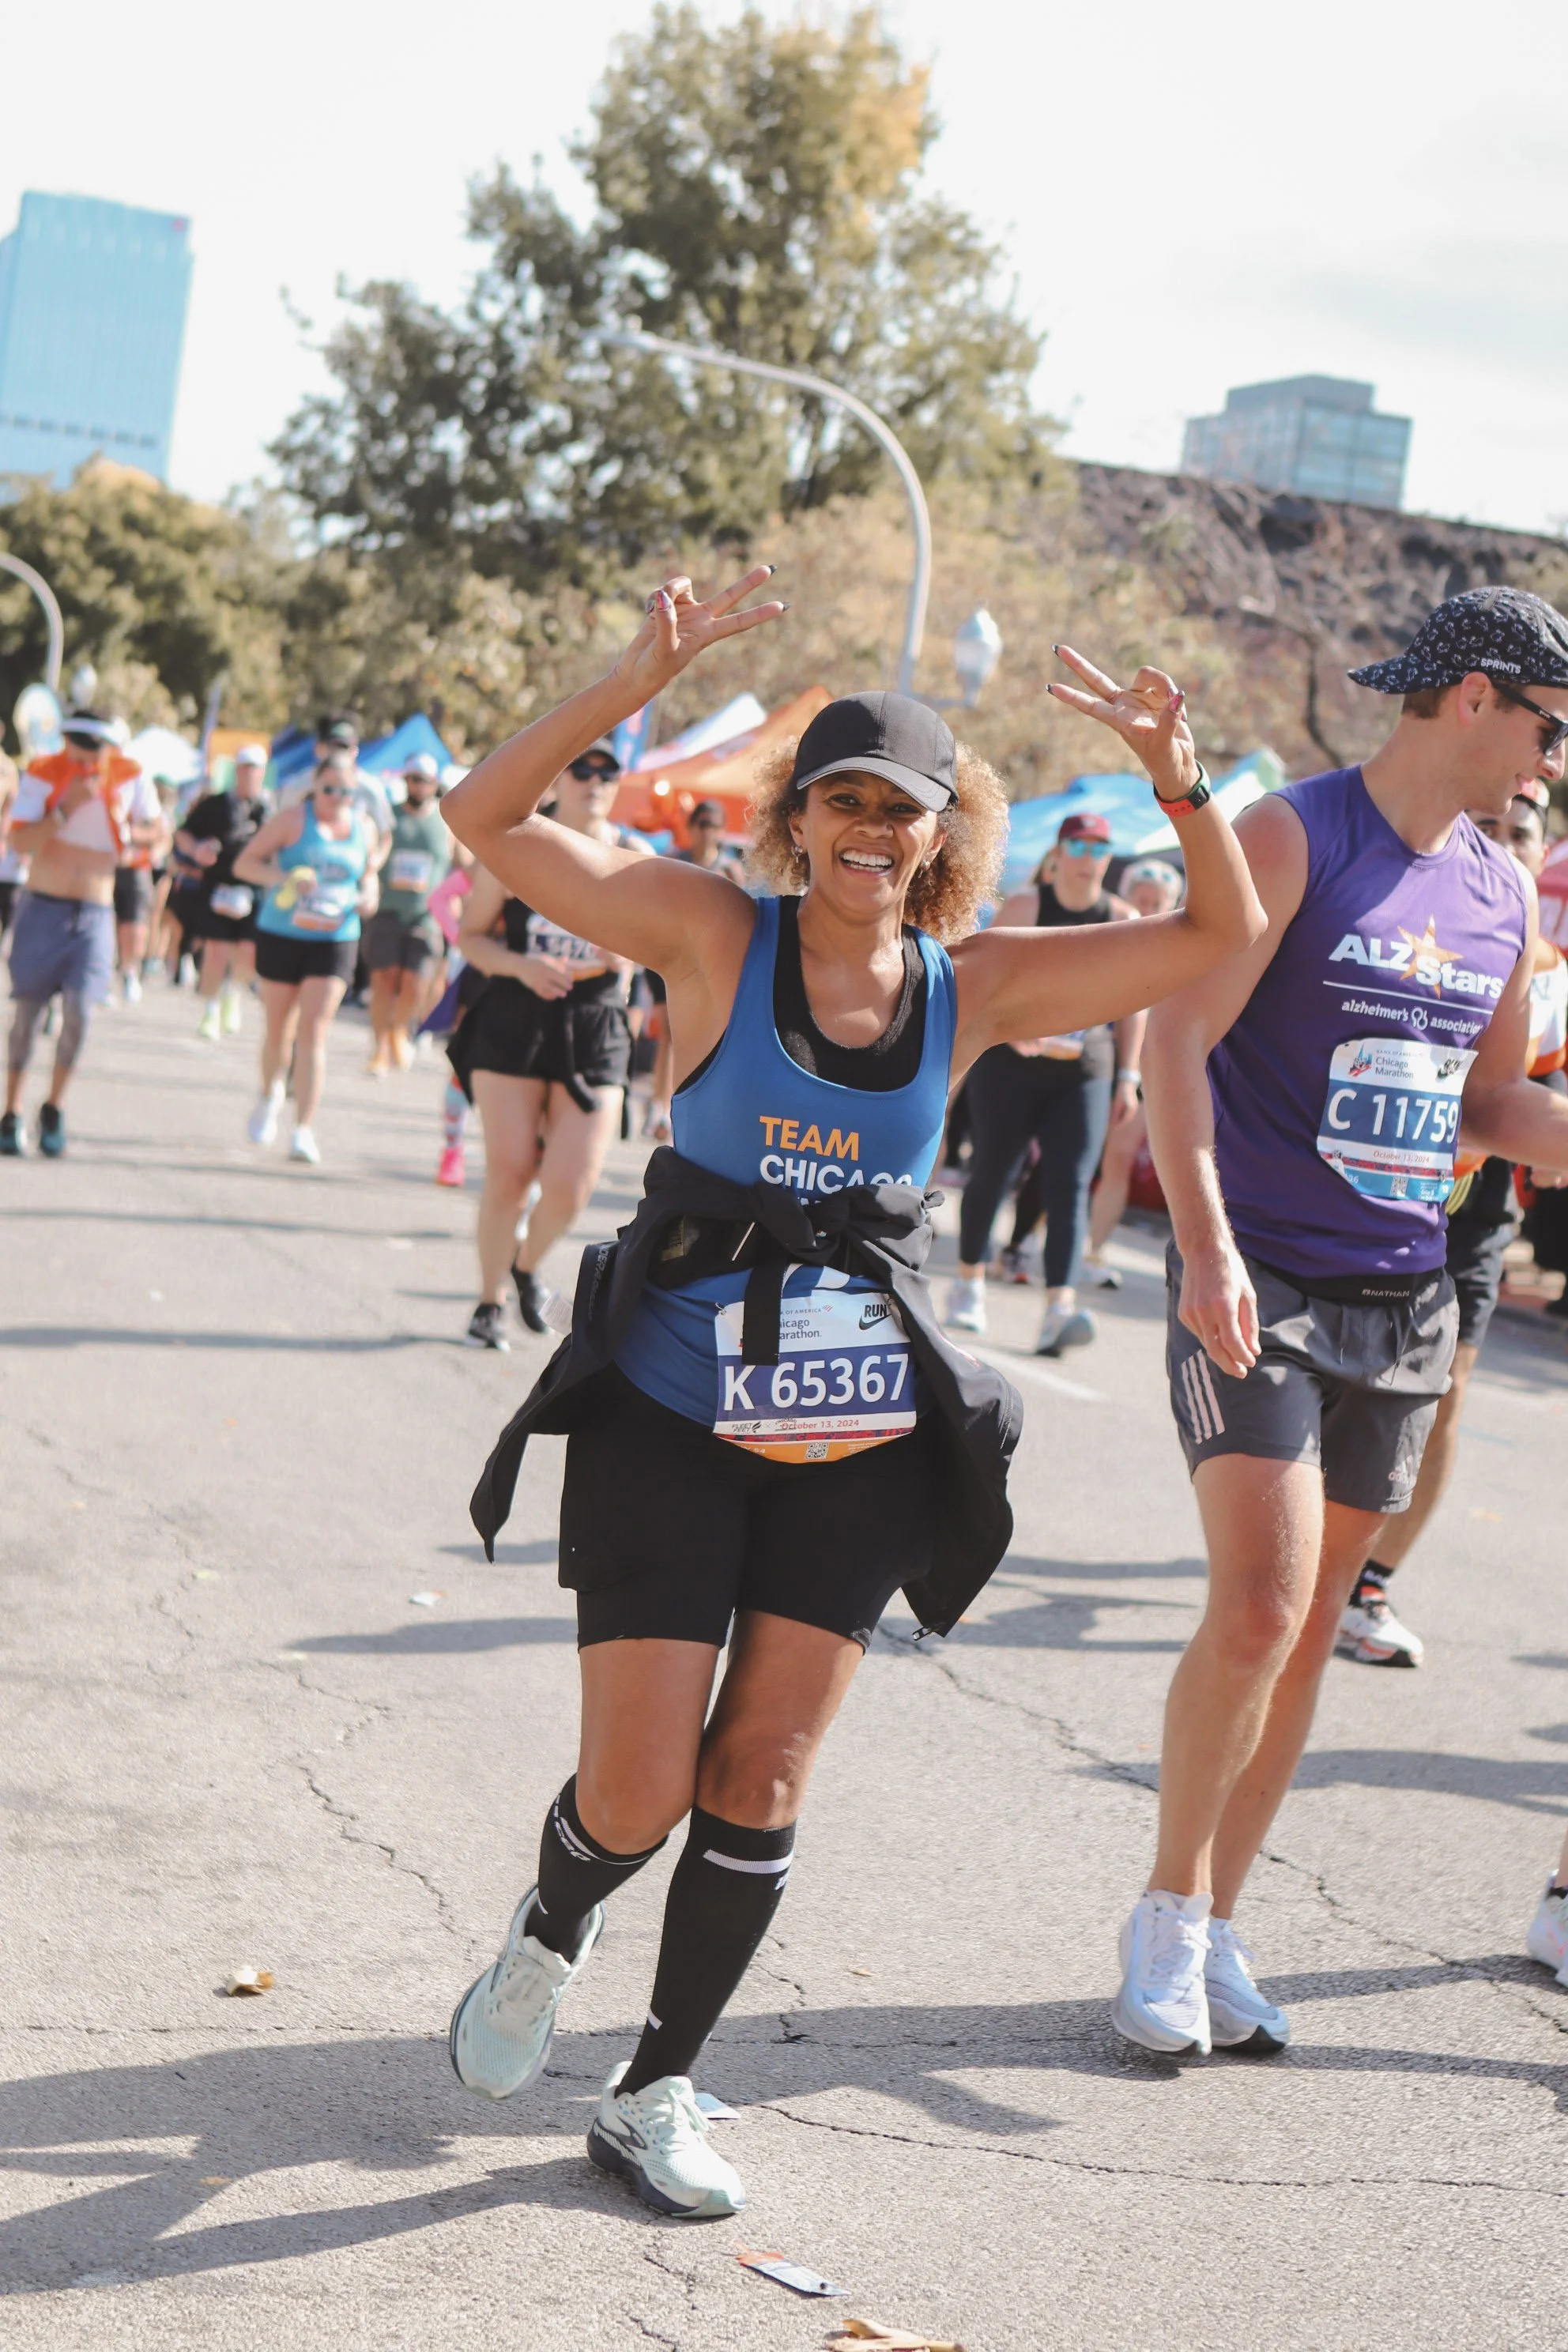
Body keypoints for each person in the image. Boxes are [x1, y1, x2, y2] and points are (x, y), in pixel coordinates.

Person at [435, 567, 1262, 2218]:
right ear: (797, 822)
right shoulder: (704, 931)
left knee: (761, 1777)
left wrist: (1182, 780)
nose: (873, 829)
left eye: (904, 807)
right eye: (843, 801)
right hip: (668, 1403)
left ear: (939, 833)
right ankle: (556, 1918)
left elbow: (1218, 935)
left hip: (856, 1432)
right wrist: (634, 669)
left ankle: (655, 2085)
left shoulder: (981, 988)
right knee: (636, 1788)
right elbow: (485, 816)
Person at [1118, 586, 1568, 2061]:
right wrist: (1198, 1248)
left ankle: (1224, 1925)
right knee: (1256, 1600)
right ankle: (1164, 1917)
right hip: (1255, 1278)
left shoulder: (1499, 889)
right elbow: (1171, 1034)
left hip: (1403, 1295)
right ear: (1473, 695)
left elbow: (1488, 1107)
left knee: (1311, 1629)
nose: (1549, 766)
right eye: (1545, 731)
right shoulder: (1289, 834)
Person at [1336, 786, 1568, 1665]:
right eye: (1490, 830)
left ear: (1542, 859)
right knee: (1348, 1383)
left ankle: (1368, 1584)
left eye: (1523, 836)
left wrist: (1546, 1136)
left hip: (1476, 1203)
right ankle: (1303, 1534)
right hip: (1380, 1184)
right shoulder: (1410, 930)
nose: (1506, 847)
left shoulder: (1545, 967)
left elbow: (1529, 1084)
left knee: (1442, 1393)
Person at [449, 736, 650, 1349]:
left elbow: (661, 948)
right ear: (559, 779)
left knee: (572, 1184)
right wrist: (519, 968)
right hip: (515, 1014)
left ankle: (528, 1265)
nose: (594, 779)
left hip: (595, 1024)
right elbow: (471, 937)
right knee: (510, 1174)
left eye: (607, 770)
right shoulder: (517, 842)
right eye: (581, 767)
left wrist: (626, 954)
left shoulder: (636, 856)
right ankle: (489, 1302)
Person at [945, 811, 1144, 1354]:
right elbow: (983, 976)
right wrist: (1011, 1030)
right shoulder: (1029, 906)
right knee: (993, 1170)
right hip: (1011, 1064)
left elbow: (1135, 1000)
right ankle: (968, 1283)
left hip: (1084, 1069)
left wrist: (1128, 1075)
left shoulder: (1121, 916)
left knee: (1071, 1184)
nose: (1087, 856)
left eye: (1099, 846)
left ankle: (1059, 1308)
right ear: (1057, 854)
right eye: (1077, 845)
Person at [2, 712, 161, 1158]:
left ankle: (54, 1106)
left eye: (94, 745)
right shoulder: (44, 776)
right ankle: (10, 1111)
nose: (84, 753)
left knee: (80, 1014)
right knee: (28, 1016)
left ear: (111, 747)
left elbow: (158, 835)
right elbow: (19, 842)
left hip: (94, 912)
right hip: (43, 907)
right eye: (76, 742)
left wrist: (125, 828)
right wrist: (65, 810)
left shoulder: (130, 780)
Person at [233, 748, 379, 1165]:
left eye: (346, 791)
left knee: (314, 1032)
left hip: (335, 938)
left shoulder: (363, 827)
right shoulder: (293, 821)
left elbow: (369, 876)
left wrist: (369, 895)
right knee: (279, 1029)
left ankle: (303, 1129)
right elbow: (245, 864)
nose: (337, 797)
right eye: (329, 788)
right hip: (283, 933)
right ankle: (269, 1095)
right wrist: (283, 877)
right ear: (315, 786)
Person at [1082, 857, 1185, 1287]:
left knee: (1118, 1160)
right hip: (1094, 1060)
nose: (1146, 907)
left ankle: (1092, 1252)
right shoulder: (1103, 936)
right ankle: (1034, 1235)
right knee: (1076, 1156)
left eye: (1156, 901)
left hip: (1145, 1071)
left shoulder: (1184, 948)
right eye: (1140, 898)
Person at [644, 799, 742, 1140]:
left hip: (710, 964)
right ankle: (660, 1106)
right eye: (701, 823)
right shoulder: (675, 863)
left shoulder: (729, 870)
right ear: (690, 827)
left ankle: (686, 1108)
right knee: (668, 1034)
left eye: (713, 824)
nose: (706, 831)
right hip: (670, 958)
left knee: (706, 1038)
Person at [364, 753, 454, 1074]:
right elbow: (371, 854)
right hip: (387, 911)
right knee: (384, 980)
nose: (417, 786)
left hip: (426, 917)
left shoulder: (446, 823)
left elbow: (465, 867)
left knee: (417, 982)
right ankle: (379, 1048)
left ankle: (399, 1030)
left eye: (424, 780)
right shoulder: (390, 819)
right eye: (412, 779)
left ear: (434, 784)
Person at [178, 744, 271, 1042]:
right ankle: (211, 1008)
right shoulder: (215, 804)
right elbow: (183, 833)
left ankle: (234, 992)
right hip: (218, 886)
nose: (250, 775)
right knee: (216, 950)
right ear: (237, 771)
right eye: (245, 768)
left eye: (255, 769)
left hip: (254, 889)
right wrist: (196, 850)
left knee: (248, 953)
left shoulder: (270, 808)